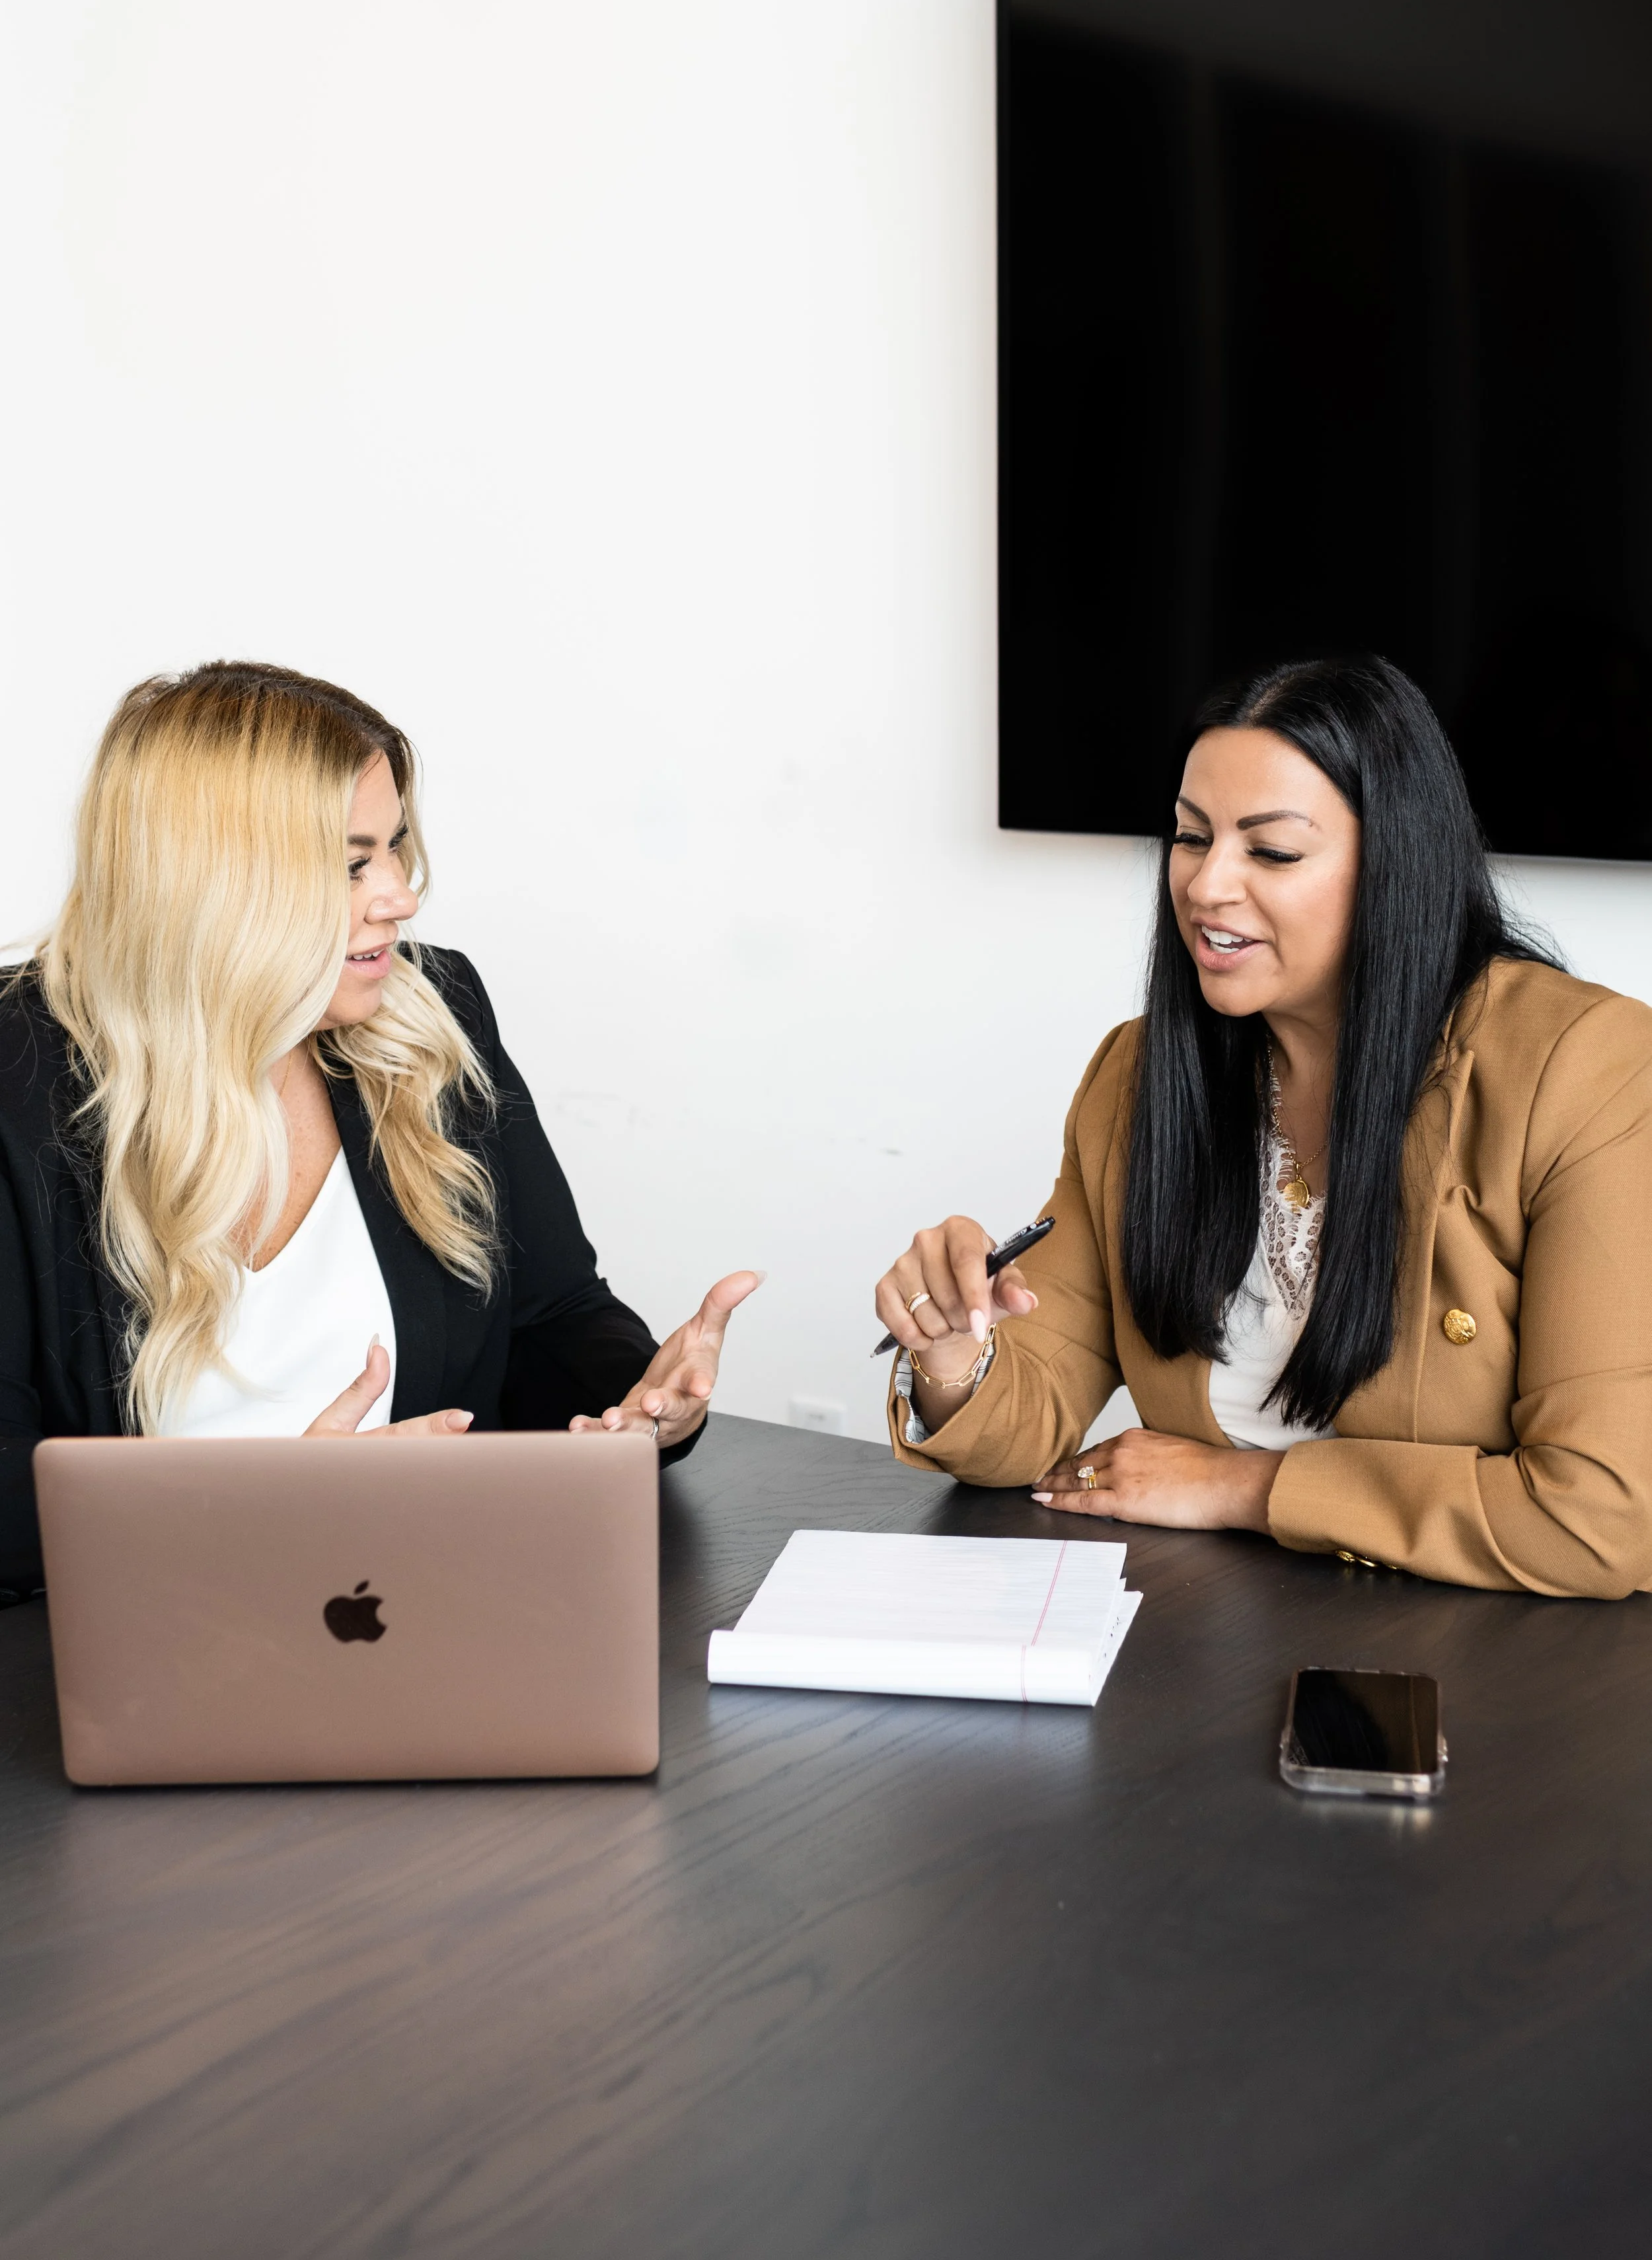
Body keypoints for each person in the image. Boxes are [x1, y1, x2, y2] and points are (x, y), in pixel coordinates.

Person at [875, 656, 1652, 1599]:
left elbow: (1607, 1516)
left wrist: (1245, 1487)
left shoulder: (1590, 1067)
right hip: (1202, 1630)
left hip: (1478, 1659)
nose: (1207, 887)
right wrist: (954, 1355)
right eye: (1191, 838)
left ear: (1397, 861)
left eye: (1271, 851)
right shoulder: (1138, 1075)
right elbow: (1035, 1409)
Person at [0, 661, 757, 1596]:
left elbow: (551, 1317)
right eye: (353, 863)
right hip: (117, 1664)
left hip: (401, 1610)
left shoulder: (433, 1013)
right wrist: (268, 1513)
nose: (398, 894)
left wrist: (640, 1401)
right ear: (211, 882)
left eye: (395, 848)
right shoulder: (20, 1083)